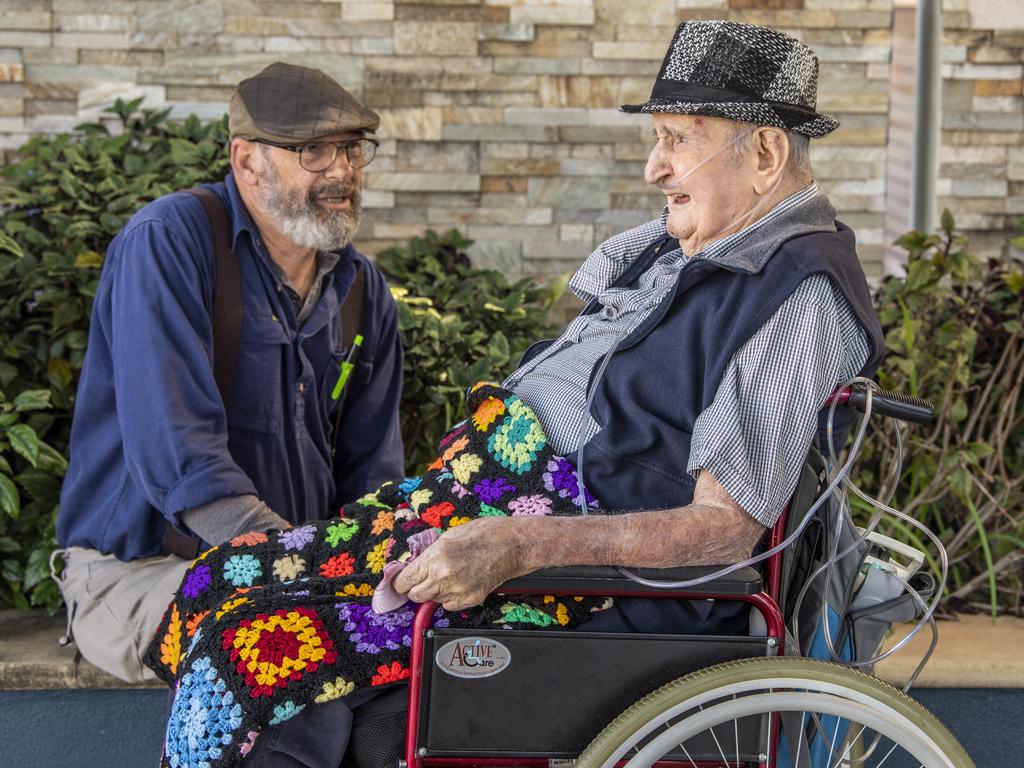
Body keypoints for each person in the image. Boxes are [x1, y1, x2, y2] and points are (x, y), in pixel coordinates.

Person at [391, 20, 886, 635]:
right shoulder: (689, 243)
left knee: (251, 647)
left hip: (572, 582)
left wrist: (520, 544)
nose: (655, 167)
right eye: (657, 139)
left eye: (676, 139)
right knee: (243, 581)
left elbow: (723, 531)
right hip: (468, 510)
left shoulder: (802, 294)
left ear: (766, 154)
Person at [52, 62, 405, 685]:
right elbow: (182, 461)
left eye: (352, 149)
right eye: (313, 150)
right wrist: (304, 569)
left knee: (419, 650)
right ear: (247, 162)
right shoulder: (168, 243)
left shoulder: (362, 290)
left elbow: (371, 474)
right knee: (281, 653)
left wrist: (380, 566)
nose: (343, 171)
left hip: (297, 573)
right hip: (140, 571)